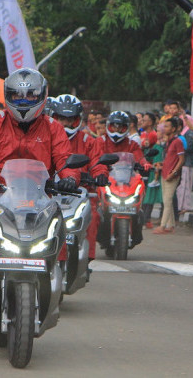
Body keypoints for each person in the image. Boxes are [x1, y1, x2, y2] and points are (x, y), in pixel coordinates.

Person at [0, 68, 79, 314]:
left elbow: (65, 160)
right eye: (18, 96)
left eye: (30, 97)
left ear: (42, 96)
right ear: (7, 96)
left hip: (40, 198)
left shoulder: (53, 128)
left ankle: (56, 279)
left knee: (59, 232)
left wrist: (69, 178)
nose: (24, 102)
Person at [51, 94, 109, 261]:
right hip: (49, 192)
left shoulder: (88, 140)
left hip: (80, 193)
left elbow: (98, 162)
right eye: (61, 118)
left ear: (78, 119)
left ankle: (87, 258)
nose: (66, 123)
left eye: (70, 119)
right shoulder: (46, 138)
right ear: (54, 117)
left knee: (93, 215)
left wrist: (100, 175)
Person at [96, 110, 152, 246]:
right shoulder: (100, 141)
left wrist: (145, 164)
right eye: (114, 126)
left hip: (126, 180)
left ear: (126, 128)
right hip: (106, 179)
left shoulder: (131, 144)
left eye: (120, 127)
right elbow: (95, 158)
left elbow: (139, 157)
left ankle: (136, 230)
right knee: (94, 209)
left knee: (138, 205)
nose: (117, 129)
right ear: (109, 126)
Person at [153, 117, 184, 234]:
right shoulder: (169, 142)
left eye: (167, 126)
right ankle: (170, 225)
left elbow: (181, 159)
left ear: (174, 128)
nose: (164, 128)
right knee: (167, 201)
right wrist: (162, 164)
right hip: (165, 173)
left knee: (167, 200)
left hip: (172, 175)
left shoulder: (178, 142)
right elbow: (170, 158)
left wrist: (174, 172)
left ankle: (162, 225)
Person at [176, 117, 193, 215]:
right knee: (183, 186)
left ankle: (185, 206)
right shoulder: (185, 132)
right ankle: (181, 206)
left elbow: (188, 147)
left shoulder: (188, 133)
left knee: (185, 186)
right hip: (185, 162)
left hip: (187, 163)